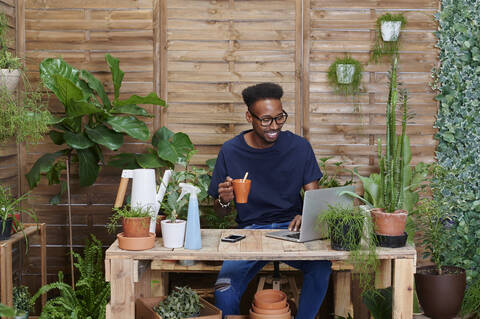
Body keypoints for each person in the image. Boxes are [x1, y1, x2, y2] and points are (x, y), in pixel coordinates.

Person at [208, 82, 332, 318]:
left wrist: (306, 214)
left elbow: (314, 198)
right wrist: (224, 201)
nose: (274, 126)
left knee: (321, 267)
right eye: (266, 120)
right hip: (250, 233)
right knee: (224, 289)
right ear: (249, 117)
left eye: (279, 118)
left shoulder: (299, 147)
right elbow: (220, 212)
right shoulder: (231, 151)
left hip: (292, 230)